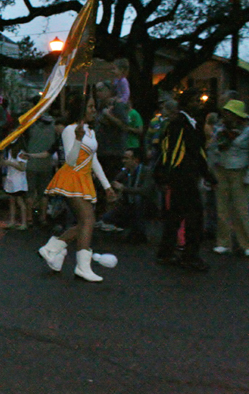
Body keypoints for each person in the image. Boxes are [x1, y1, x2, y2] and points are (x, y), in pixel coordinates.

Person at [39, 93, 118, 282]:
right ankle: (82, 267)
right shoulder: (70, 130)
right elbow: (70, 161)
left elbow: (94, 160)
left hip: (84, 180)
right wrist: (77, 139)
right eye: (90, 107)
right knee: (88, 219)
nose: (94, 110)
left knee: (85, 222)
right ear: (81, 110)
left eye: (94, 106)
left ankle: (52, 248)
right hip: (71, 178)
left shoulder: (91, 131)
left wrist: (107, 186)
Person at [153, 99, 215, 271]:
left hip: (180, 177)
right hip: (183, 178)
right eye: (196, 100)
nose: (200, 103)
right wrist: (207, 175)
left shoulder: (181, 124)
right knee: (194, 216)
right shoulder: (182, 124)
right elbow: (179, 152)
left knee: (175, 216)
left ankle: (166, 252)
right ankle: (190, 256)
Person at [211, 100, 249, 256]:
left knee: (241, 209)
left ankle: (246, 243)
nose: (226, 115)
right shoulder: (220, 129)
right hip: (222, 169)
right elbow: (214, 148)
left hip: (239, 170)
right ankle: (223, 242)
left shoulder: (247, 131)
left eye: (229, 113)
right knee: (222, 208)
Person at [99, 148, 154, 243]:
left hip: (146, 204)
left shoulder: (146, 171)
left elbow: (145, 191)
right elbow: (114, 182)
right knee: (107, 218)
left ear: (135, 160)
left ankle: (138, 233)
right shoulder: (126, 172)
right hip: (128, 203)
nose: (123, 161)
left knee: (138, 200)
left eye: (127, 158)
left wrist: (124, 188)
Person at [1, 138, 28, 230]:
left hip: (18, 181)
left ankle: (24, 223)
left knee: (20, 202)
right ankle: (12, 221)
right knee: (11, 201)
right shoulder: (10, 151)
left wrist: (9, 163)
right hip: (11, 179)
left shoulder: (21, 153)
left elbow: (22, 168)